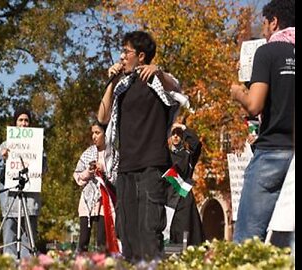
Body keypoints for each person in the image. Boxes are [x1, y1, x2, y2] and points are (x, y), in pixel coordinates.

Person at [97, 30, 183, 262]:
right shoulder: (122, 87)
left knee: (149, 228)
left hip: (152, 166)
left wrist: (159, 71)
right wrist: (111, 81)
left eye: (126, 52)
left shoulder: (156, 80)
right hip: (126, 167)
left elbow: (177, 90)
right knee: (127, 230)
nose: (122, 57)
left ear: (142, 56)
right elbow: (102, 118)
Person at [230, 0, 294, 245]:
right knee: (287, 244)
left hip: (272, 153)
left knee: (248, 241)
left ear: (274, 22)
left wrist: (238, 93)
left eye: (265, 25)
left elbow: (255, 105)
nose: (264, 31)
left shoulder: (267, 52)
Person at [0, 108, 43, 258]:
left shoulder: (37, 143)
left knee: (28, 246)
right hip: (11, 202)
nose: (23, 123)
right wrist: (3, 159)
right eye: (20, 120)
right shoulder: (5, 145)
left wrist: (40, 157)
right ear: (15, 123)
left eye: (26, 120)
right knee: (8, 243)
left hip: (30, 203)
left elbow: (43, 170)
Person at [73, 121, 118, 253]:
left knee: (101, 241)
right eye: (92, 133)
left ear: (106, 134)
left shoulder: (113, 155)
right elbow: (77, 175)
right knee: (83, 240)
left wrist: (104, 170)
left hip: (105, 202)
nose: (94, 136)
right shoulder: (87, 153)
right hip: (88, 201)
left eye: (97, 133)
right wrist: (88, 172)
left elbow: (117, 178)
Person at [166, 122, 205, 246]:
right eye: (173, 134)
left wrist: (184, 128)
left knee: (186, 237)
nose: (176, 136)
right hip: (167, 200)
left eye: (179, 134)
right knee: (169, 240)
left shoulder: (188, 156)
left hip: (184, 198)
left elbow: (196, 144)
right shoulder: (164, 156)